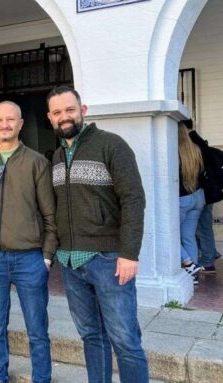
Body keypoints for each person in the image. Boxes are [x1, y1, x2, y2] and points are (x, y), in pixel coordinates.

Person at [47, 86, 149, 383]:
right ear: (50, 118)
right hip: (70, 261)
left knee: (125, 340)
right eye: (57, 112)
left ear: (83, 110)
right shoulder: (55, 157)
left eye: (69, 109)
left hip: (108, 260)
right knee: (92, 336)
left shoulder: (111, 145)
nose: (64, 117)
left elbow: (133, 199)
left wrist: (129, 253)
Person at [0, 101, 57, 383]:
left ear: (20, 124)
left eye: (10, 120)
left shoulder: (37, 163)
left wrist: (46, 256)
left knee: (37, 330)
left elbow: (50, 215)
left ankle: (41, 379)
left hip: (30, 259)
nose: (4, 125)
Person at [184, 119, 222, 274]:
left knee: (202, 228)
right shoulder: (199, 142)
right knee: (201, 227)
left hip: (200, 193)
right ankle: (211, 253)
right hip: (205, 193)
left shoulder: (192, 142)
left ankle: (207, 261)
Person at [178, 121, 205, 284]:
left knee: (171, 235)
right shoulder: (195, 150)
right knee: (188, 236)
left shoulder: (175, 151)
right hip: (198, 196)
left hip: (182, 199)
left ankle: (188, 263)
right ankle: (192, 274)